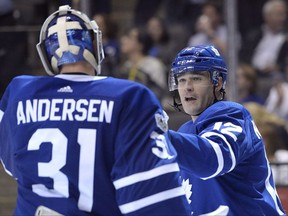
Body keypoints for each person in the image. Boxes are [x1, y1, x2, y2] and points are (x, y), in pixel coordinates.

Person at [0, 5, 190, 215]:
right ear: (95, 44)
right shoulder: (130, 96)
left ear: (47, 54)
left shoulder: (20, 92)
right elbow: (153, 196)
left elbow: (13, 165)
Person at [165, 45, 286, 215]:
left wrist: (157, 136)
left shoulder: (232, 115)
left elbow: (210, 160)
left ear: (218, 82)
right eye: (182, 80)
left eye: (196, 78)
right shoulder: (184, 133)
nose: (187, 87)